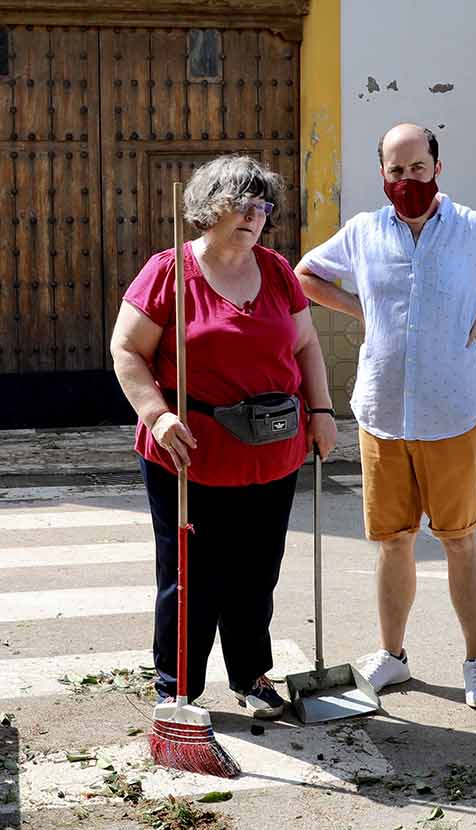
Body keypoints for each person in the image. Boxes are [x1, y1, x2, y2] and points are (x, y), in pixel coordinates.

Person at [296, 123, 476, 709]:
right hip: (384, 412)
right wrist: (359, 310)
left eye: (417, 168)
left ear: (437, 168)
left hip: (453, 412)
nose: (407, 180)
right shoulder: (364, 232)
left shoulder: (475, 231)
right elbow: (306, 274)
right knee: (393, 542)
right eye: (396, 171)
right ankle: (393, 655)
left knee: (460, 541)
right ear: (383, 176)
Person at [109, 154, 338, 719]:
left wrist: (323, 411)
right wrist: (157, 416)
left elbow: (306, 346)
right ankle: (177, 687)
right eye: (242, 203)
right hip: (191, 451)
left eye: (262, 206)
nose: (255, 215)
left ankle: (251, 675)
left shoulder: (279, 271)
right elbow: (127, 351)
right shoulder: (168, 272)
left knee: (257, 571)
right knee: (190, 577)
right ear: (208, 207)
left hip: (274, 447)